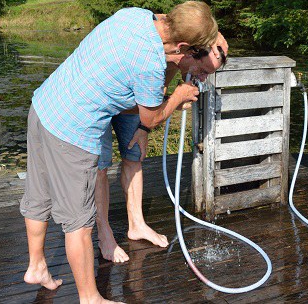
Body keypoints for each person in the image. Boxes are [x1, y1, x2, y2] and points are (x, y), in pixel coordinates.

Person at [19, 1, 219, 303]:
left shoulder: (133, 16)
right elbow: (150, 118)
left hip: (45, 106)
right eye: (193, 52)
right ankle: (91, 298)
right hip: (71, 133)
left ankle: (36, 266)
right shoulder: (150, 65)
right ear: (182, 45)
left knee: (38, 196)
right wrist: (178, 96)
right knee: (78, 223)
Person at [95, 41, 228, 263]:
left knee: (134, 155)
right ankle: (104, 233)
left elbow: (157, 91)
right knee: (100, 167)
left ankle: (136, 224)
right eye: (203, 71)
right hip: (103, 97)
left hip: (134, 102)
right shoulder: (157, 51)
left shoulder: (180, 60)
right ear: (191, 53)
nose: (204, 78)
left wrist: (144, 126)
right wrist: (174, 100)